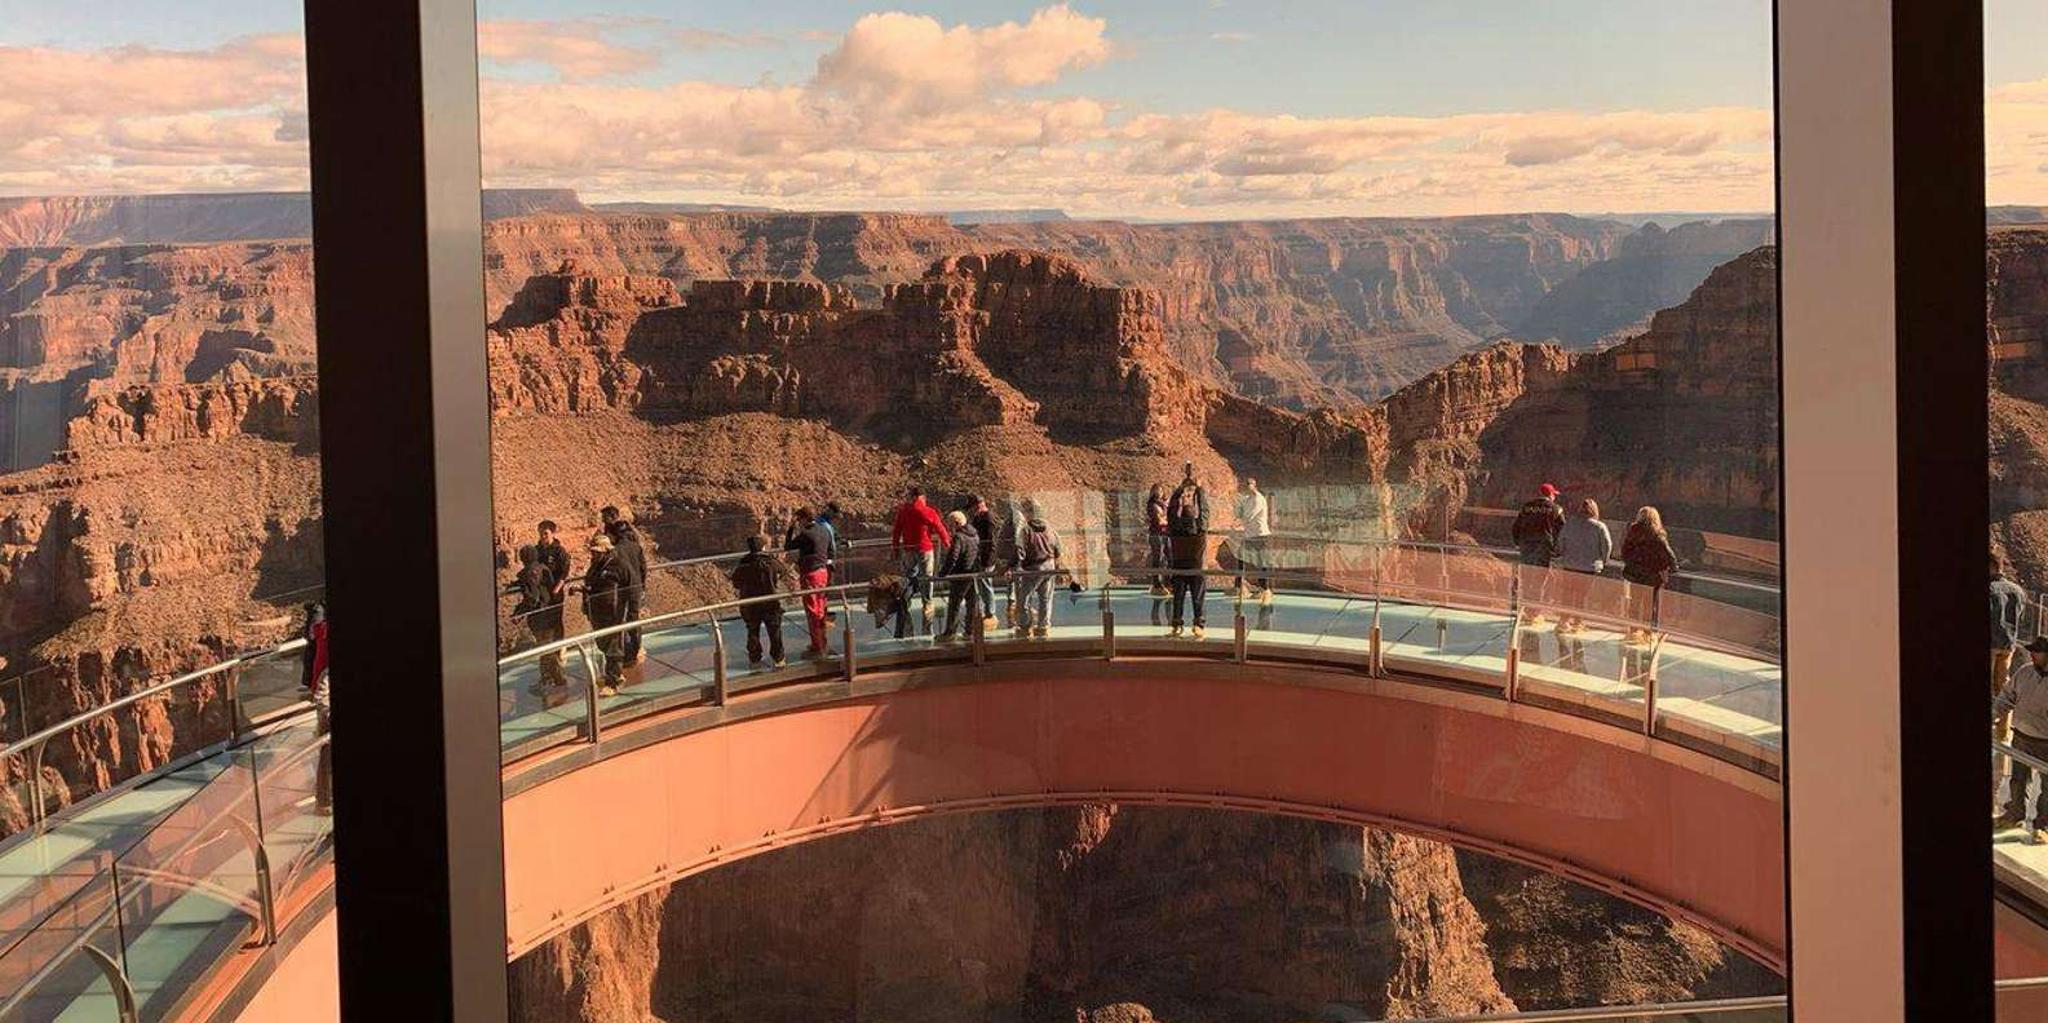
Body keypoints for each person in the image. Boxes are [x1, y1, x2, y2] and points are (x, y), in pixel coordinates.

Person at [1996, 636, 2048, 830]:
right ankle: (2014, 814)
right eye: (2032, 651)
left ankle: (2043, 826)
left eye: (2037, 652)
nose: (2032, 654)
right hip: (2021, 737)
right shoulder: (2024, 672)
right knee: (2018, 780)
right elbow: (2007, 696)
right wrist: (1994, 714)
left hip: (2045, 742)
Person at [890, 487, 950, 632]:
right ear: (921, 497)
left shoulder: (904, 511)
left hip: (908, 549)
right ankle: (927, 604)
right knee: (926, 577)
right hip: (925, 548)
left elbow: (897, 531)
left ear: (912, 497)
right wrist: (947, 543)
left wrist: (896, 548)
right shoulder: (928, 511)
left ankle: (905, 602)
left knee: (908, 577)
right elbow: (939, 528)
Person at [1994, 554, 2029, 802]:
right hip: (2009, 644)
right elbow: (2022, 613)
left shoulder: (1989, 589)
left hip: (1989, 643)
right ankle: (2003, 730)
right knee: (2003, 686)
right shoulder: (2017, 590)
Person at [1554, 498, 1614, 636]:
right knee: (1581, 596)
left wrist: (1563, 554)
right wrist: (1603, 561)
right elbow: (1607, 545)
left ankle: (1563, 621)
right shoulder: (1599, 527)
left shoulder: (1570, 524)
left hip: (1569, 565)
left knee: (1567, 595)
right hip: (1589, 567)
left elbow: (1561, 541)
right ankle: (1578, 623)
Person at [1620, 505, 1678, 646]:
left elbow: (1624, 553)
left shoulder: (1633, 533)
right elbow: (1669, 555)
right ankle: (1649, 633)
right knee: (1651, 605)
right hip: (1654, 576)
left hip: (1636, 574)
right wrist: (1673, 567)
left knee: (1635, 603)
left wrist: (1633, 564)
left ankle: (1634, 631)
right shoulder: (1658, 535)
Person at [581, 532, 630, 694]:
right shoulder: (596, 564)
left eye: (596, 552)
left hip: (613, 612)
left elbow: (628, 584)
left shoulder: (618, 565)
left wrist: (629, 607)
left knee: (613, 646)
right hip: (597, 610)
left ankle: (613, 681)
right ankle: (614, 674)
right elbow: (594, 584)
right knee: (602, 642)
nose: (593, 554)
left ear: (606, 551)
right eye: (592, 552)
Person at [511, 545, 566, 689]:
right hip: (550, 612)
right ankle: (548, 678)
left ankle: (557, 679)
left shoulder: (529, 573)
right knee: (545, 648)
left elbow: (533, 598)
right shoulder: (542, 567)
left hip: (541, 616)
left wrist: (519, 612)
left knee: (545, 648)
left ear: (523, 558)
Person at [729, 536, 786, 669]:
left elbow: (736, 583)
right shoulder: (771, 562)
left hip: (750, 604)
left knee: (753, 631)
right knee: (775, 631)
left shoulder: (743, 565)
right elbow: (783, 571)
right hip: (770, 602)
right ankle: (778, 658)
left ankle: (755, 658)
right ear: (763, 547)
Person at [1512, 483, 1566, 623]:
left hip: (1526, 546)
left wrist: (1518, 542)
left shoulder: (1526, 507)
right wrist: (1557, 549)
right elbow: (1562, 530)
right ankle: (1534, 613)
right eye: (1554, 494)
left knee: (1527, 578)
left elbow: (1516, 526)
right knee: (1539, 580)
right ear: (1551, 495)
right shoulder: (1556, 509)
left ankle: (1524, 610)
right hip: (1543, 547)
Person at [786, 507, 836, 656]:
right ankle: (823, 642)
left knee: (812, 611)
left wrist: (790, 529)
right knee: (821, 609)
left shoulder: (806, 534)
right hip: (823, 572)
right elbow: (831, 551)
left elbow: (788, 547)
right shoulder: (824, 530)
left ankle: (817, 647)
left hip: (810, 575)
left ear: (803, 519)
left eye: (798, 519)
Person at [601, 506, 648, 665]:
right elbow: (643, 566)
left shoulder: (618, 546)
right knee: (632, 619)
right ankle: (634, 651)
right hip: (635, 585)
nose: (602, 520)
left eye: (605, 517)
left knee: (620, 619)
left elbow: (614, 567)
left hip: (622, 586)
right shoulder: (633, 542)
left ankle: (626, 652)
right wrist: (642, 584)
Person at [1167, 471, 1209, 639]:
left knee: (1178, 598)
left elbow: (1171, 510)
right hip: (1197, 568)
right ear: (1195, 517)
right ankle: (1199, 625)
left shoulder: (1175, 529)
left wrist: (1180, 490)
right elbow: (1205, 510)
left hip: (1178, 568)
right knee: (1198, 598)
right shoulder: (1200, 530)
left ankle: (1177, 625)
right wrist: (1198, 490)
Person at [1016, 501, 1062, 638]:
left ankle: (1025, 627)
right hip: (1049, 566)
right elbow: (1058, 547)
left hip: (1032, 568)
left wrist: (1017, 566)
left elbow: (1020, 550)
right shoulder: (1050, 528)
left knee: (1024, 598)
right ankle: (1043, 627)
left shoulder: (1025, 530)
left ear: (1029, 513)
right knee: (1046, 598)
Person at [936, 510, 982, 642]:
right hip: (972, 573)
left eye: (950, 525)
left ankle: (950, 632)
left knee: (954, 604)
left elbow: (953, 557)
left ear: (956, 523)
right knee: (971, 603)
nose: (949, 528)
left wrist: (943, 573)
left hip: (960, 574)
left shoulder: (959, 537)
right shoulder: (975, 534)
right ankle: (970, 630)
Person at [1235, 476, 1273, 604]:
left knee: (1262, 563)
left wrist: (1240, 515)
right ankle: (1240, 586)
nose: (1246, 486)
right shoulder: (1247, 499)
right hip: (1249, 535)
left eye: (1249, 484)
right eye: (1245, 484)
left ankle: (1266, 589)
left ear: (1254, 485)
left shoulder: (1258, 498)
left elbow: (1248, 516)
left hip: (1260, 535)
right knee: (1240, 558)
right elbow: (1239, 514)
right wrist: (1239, 505)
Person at [968, 496, 1000, 634]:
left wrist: (987, 559)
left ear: (980, 504)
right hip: (979, 556)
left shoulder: (988, 518)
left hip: (986, 558)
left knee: (986, 584)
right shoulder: (978, 518)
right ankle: (983, 611)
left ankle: (990, 613)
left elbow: (991, 542)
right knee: (981, 585)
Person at [1146, 483, 1172, 598]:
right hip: (1156, 535)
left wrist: (1165, 517)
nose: (1160, 493)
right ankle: (1157, 583)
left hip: (1165, 534)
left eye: (1161, 490)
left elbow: (1164, 518)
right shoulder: (1152, 505)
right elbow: (1159, 521)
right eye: (1158, 491)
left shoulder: (1162, 505)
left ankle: (1167, 582)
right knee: (1158, 558)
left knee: (1168, 557)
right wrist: (1166, 519)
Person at [298, 601, 328, 691]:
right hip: (316, 638)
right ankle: (310, 684)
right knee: (309, 660)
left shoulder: (321, 621)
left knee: (318, 663)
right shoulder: (314, 611)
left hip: (320, 637)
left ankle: (316, 687)